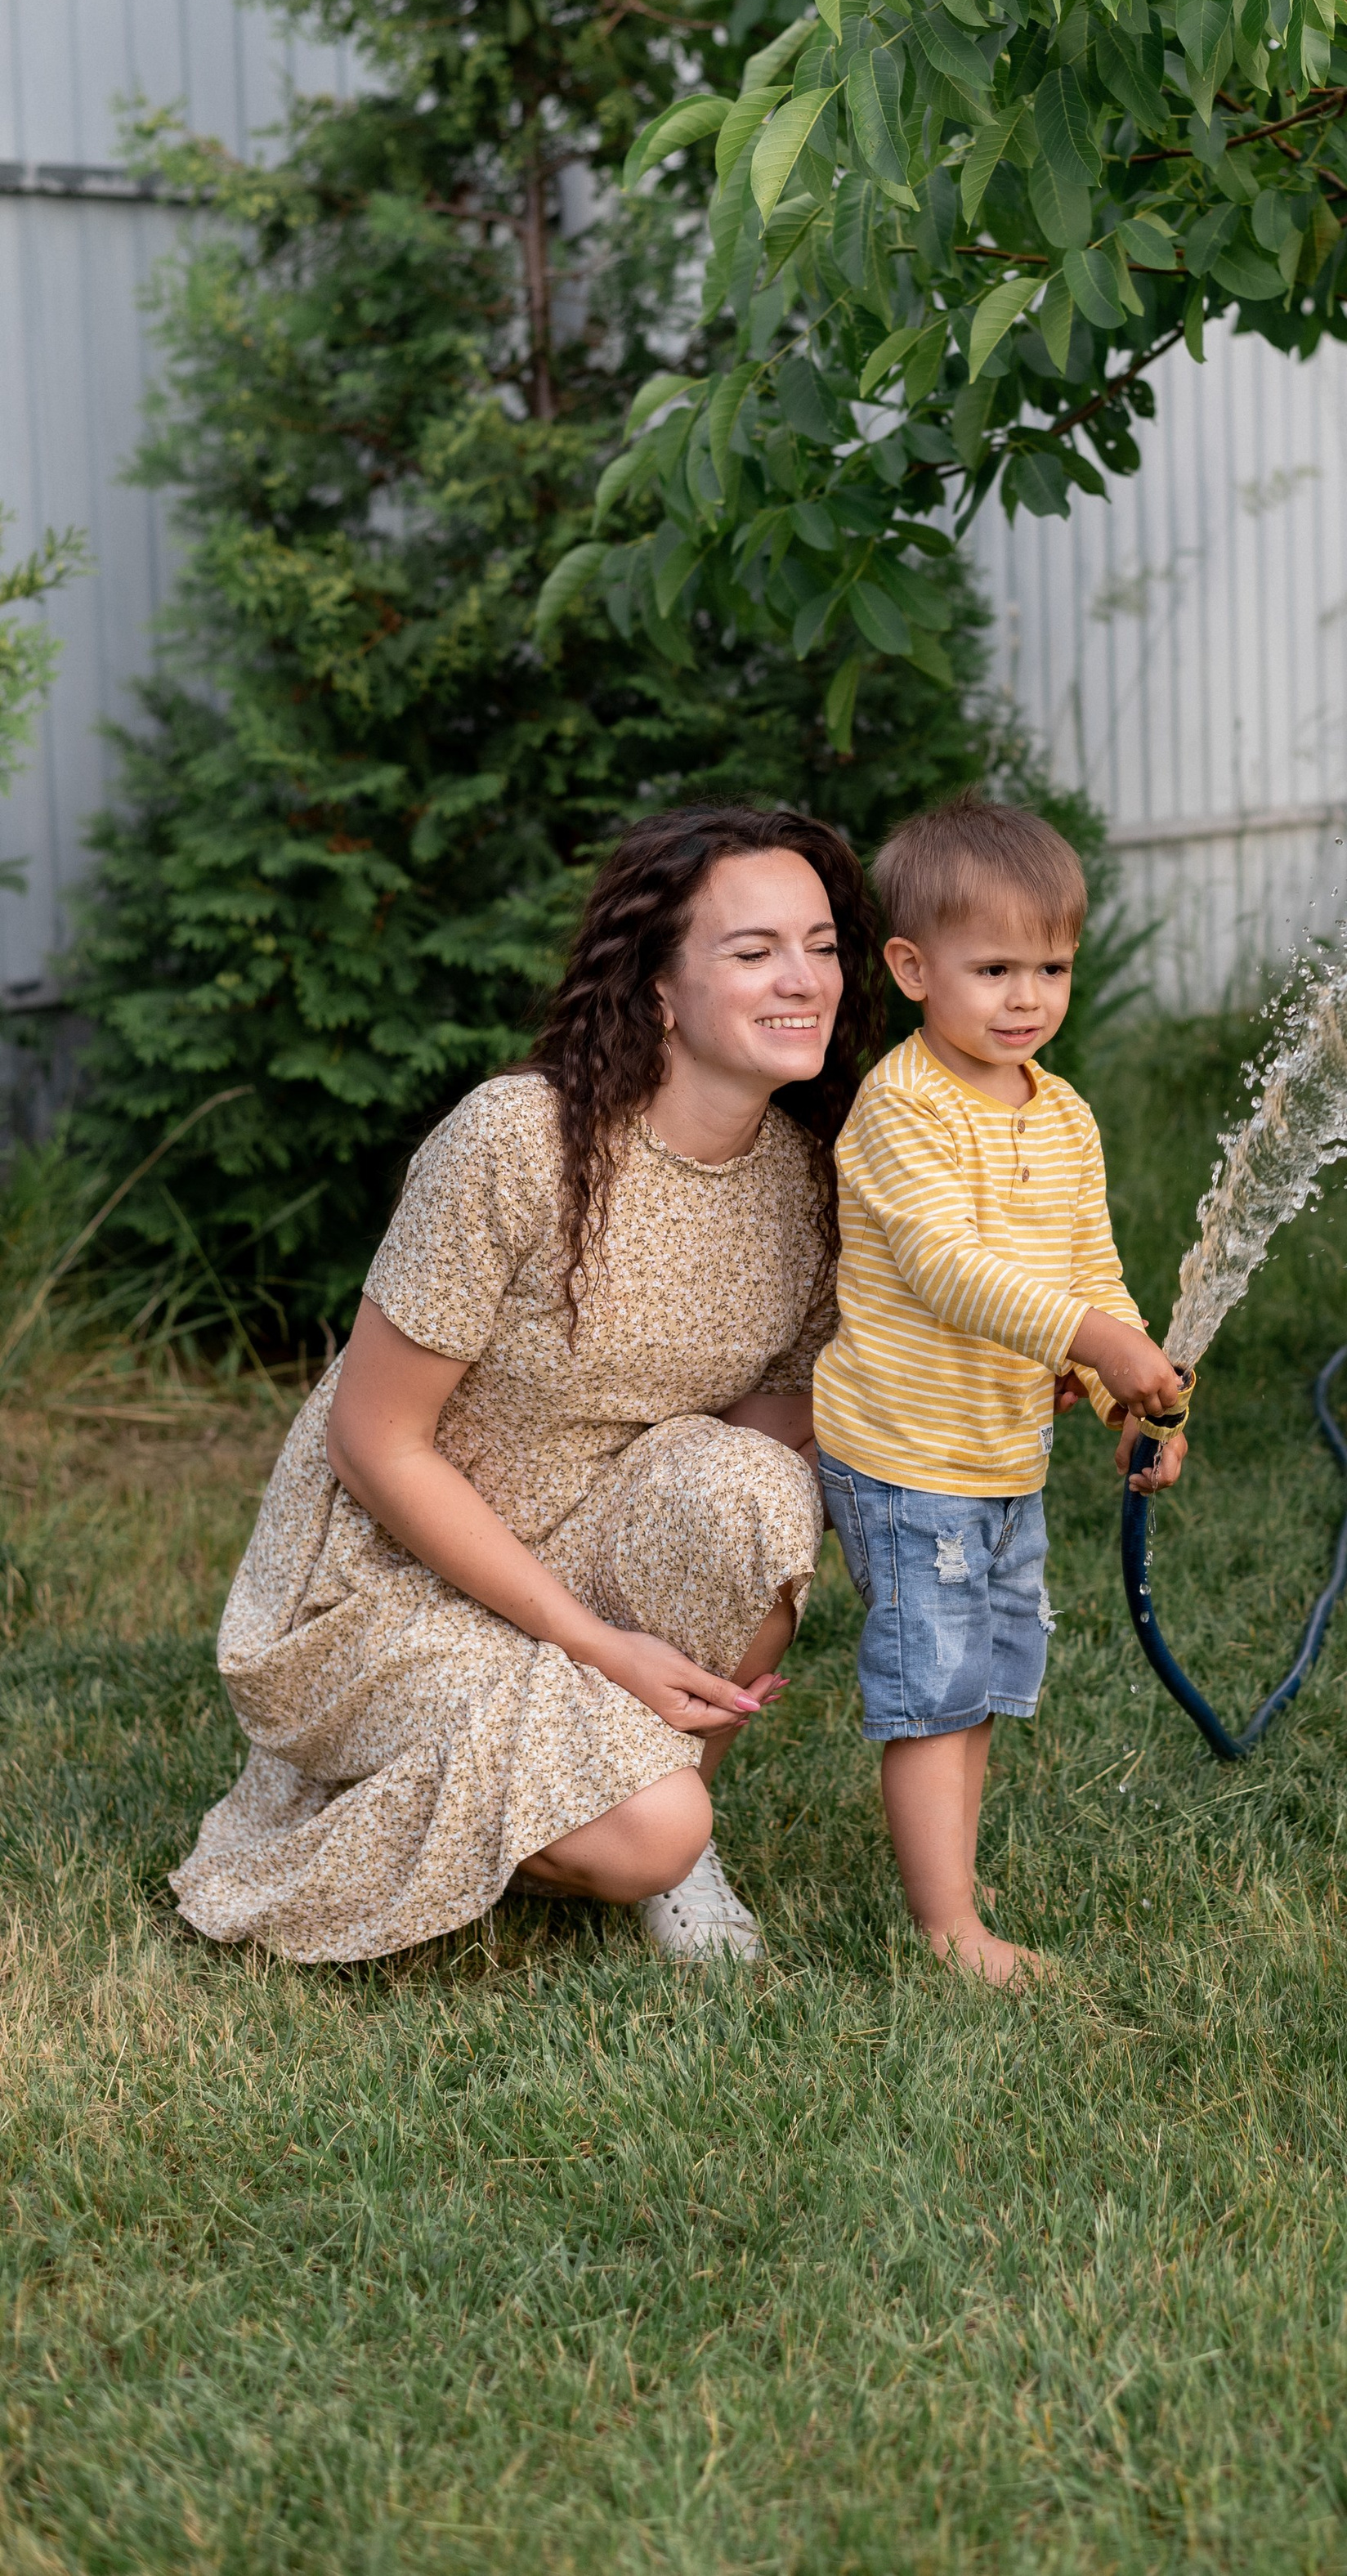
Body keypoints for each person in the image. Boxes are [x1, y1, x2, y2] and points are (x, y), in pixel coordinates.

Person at [170, 804, 884, 1967]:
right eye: (753, 951)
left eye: (820, 944)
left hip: (593, 1542)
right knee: (653, 1823)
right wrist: (598, 1649)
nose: (802, 978)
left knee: (757, 1488)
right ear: (659, 986)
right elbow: (373, 1441)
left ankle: (635, 1815)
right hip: (385, 1577)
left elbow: (775, 1427)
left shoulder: (807, 1182)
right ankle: (367, 1808)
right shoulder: (516, 1141)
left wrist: (999, 1385)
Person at [813, 793, 1187, 1987]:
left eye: (1053, 966)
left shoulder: (1061, 1111)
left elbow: (1090, 1266)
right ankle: (947, 1932)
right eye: (994, 968)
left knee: (974, 1684)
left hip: (998, 1451)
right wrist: (1086, 1335)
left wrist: (1129, 1383)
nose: (1027, 997)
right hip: (907, 1450)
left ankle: (955, 1894)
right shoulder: (905, 1106)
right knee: (936, 1696)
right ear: (915, 969)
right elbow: (946, 1267)